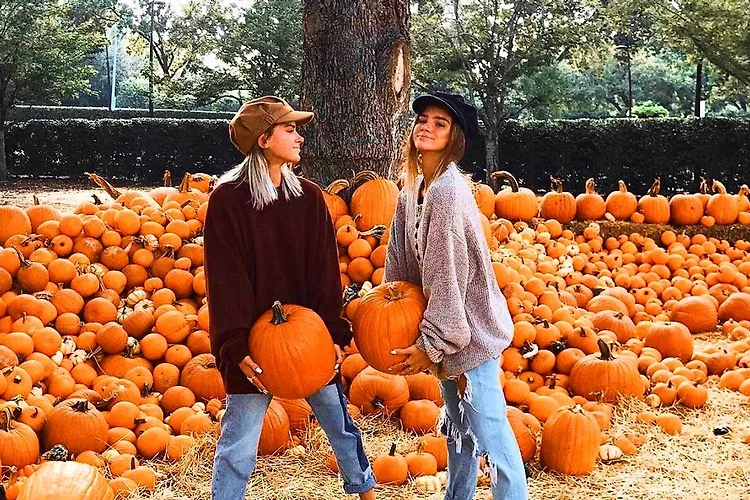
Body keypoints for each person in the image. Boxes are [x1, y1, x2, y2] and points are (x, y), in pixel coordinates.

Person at [204, 96, 377, 500]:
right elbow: (224, 280)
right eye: (290, 129)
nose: (300, 136)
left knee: (338, 420)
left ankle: (365, 491)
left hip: (307, 334)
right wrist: (233, 344)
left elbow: (323, 273)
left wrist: (333, 332)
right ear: (264, 139)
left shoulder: (310, 198)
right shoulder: (228, 200)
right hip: (252, 341)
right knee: (239, 440)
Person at [384, 92, 528, 500]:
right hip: (445, 330)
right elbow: (399, 265)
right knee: (458, 430)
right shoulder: (410, 190)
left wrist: (430, 346)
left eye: (439, 123)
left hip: (472, 334)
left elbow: (447, 277)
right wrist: (394, 311)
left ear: (455, 139)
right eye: (423, 119)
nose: (426, 127)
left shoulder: (448, 194)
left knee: (492, 436)